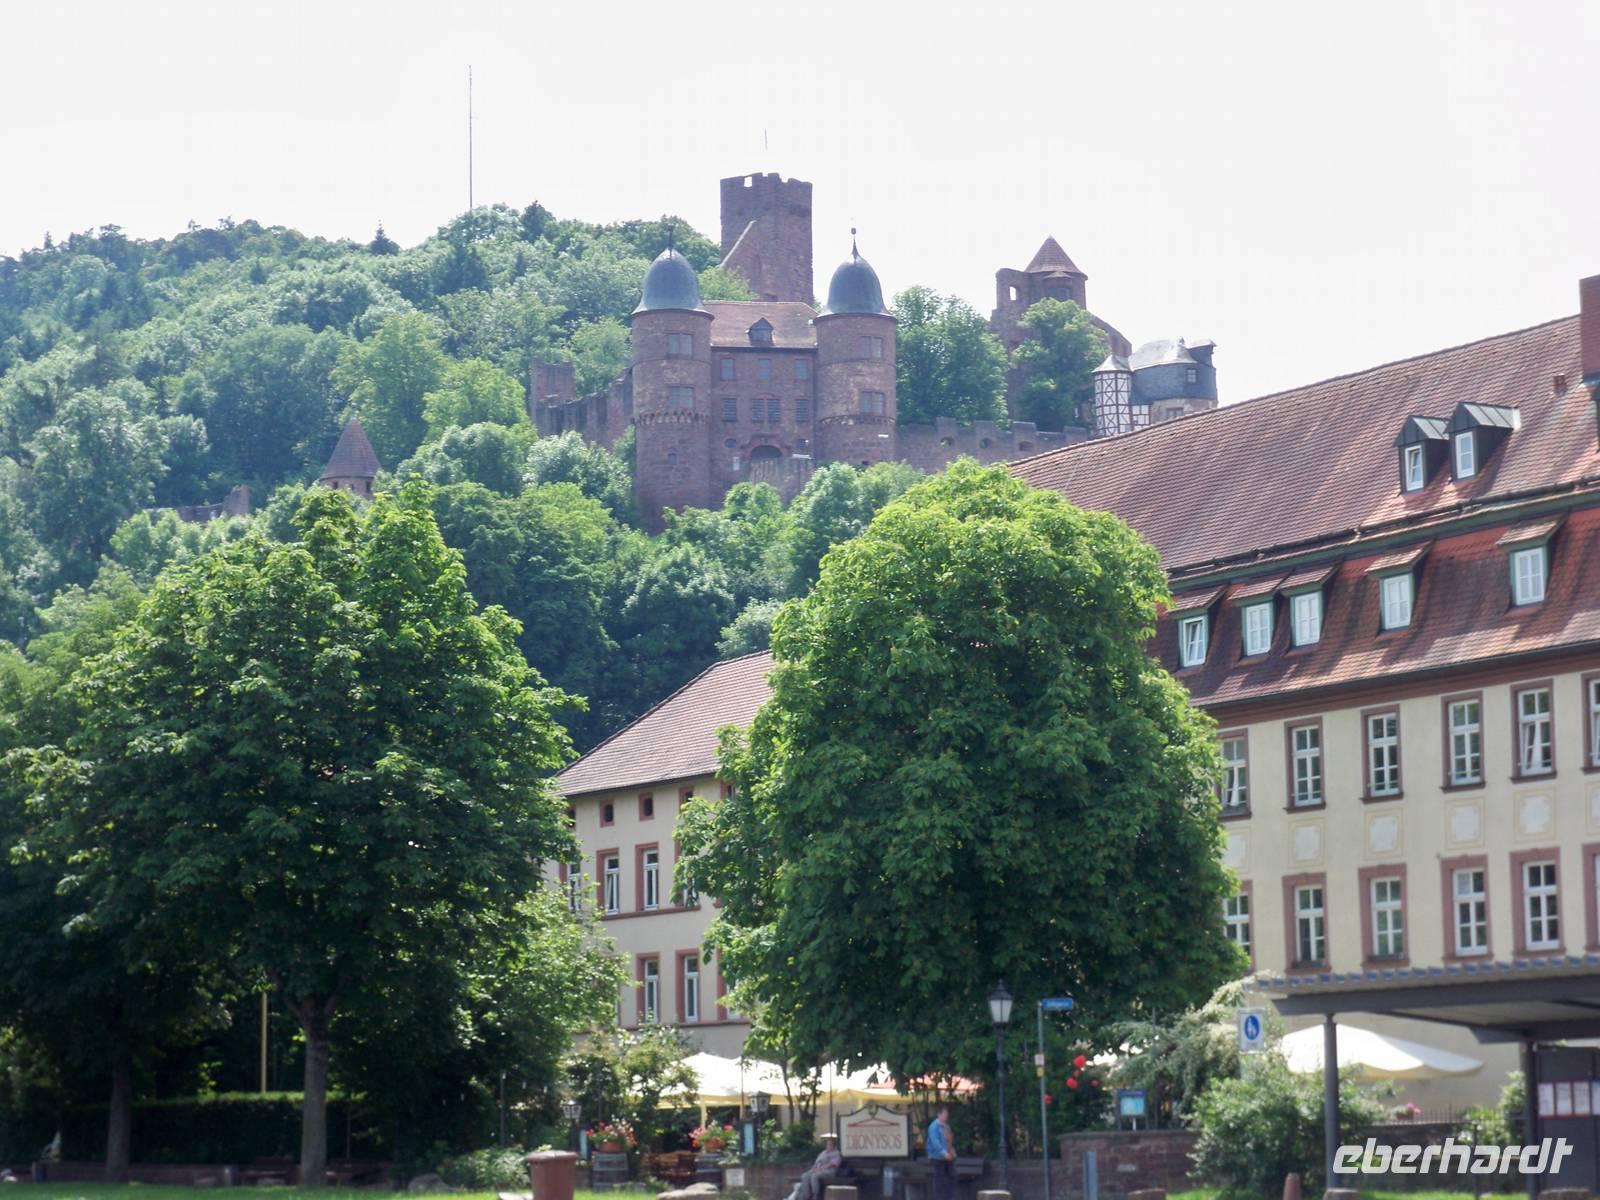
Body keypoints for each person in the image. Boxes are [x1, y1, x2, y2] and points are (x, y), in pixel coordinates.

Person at [788, 1132, 844, 1200]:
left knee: (814, 1176)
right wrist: (814, 1168)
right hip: (818, 1169)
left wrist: (819, 1169)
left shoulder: (836, 1154)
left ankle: (816, 1196)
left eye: (830, 1145)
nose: (828, 1146)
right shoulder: (823, 1153)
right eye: (827, 1144)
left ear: (834, 1146)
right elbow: (817, 1162)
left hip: (829, 1171)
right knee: (805, 1176)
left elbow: (830, 1165)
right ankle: (806, 1196)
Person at [926, 1105, 955, 1200]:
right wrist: (944, 1153)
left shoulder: (946, 1126)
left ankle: (949, 1198)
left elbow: (949, 1140)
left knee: (952, 1177)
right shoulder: (933, 1126)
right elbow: (935, 1142)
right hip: (937, 1157)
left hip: (947, 1157)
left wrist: (952, 1151)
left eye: (947, 1113)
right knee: (939, 1180)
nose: (946, 1115)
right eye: (945, 1113)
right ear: (939, 1114)